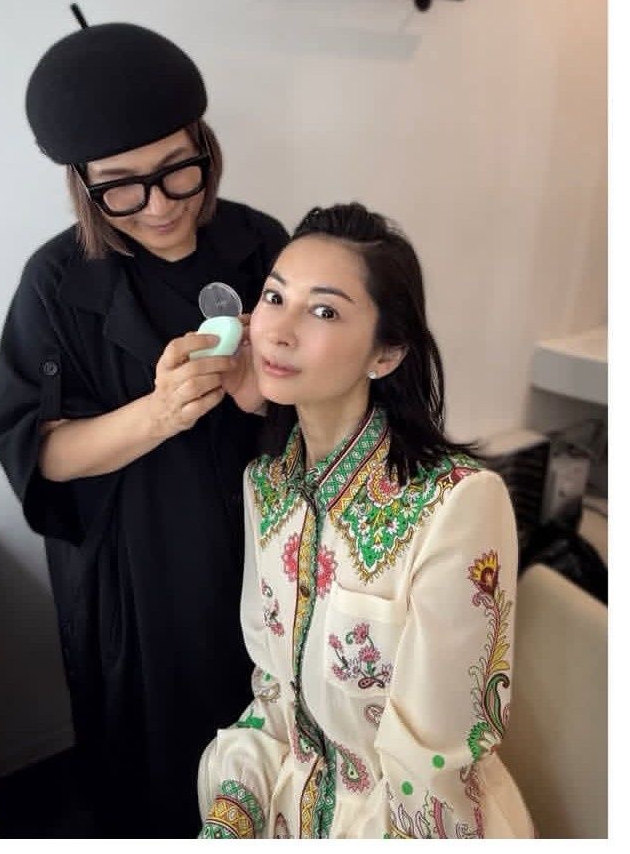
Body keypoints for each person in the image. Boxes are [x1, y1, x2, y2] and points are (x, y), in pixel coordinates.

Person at [0, 13, 288, 837]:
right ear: (83, 185)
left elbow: (316, 396)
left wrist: (258, 396)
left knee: (271, 745)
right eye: (121, 187)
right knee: (154, 772)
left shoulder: (260, 242)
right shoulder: (55, 282)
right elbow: (41, 453)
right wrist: (159, 414)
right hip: (135, 575)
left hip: (265, 548)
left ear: (205, 148)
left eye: (177, 171)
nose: (158, 207)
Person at [198, 203, 535, 839]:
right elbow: (273, 702)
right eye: (274, 298)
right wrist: (229, 820)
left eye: (324, 311)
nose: (280, 331)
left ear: (386, 352)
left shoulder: (457, 504)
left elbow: (434, 769)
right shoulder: (266, 488)